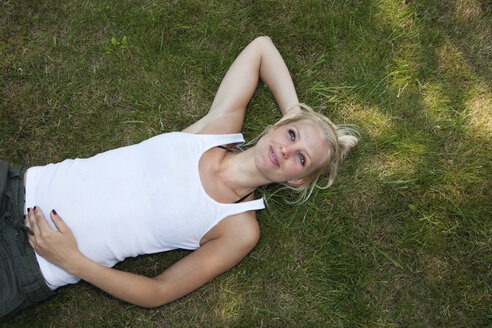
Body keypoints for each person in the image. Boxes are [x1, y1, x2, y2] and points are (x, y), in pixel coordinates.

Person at [0, 36, 357, 317]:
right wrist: (297, 116)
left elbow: (158, 292)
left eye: (301, 159)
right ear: (280, 126)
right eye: (290, 136)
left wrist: (73, 262)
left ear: (298, 180)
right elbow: (261, 48)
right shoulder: (217, 128)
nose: (285, 150)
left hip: (30, 264)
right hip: (17, 186)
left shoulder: (238, 230)